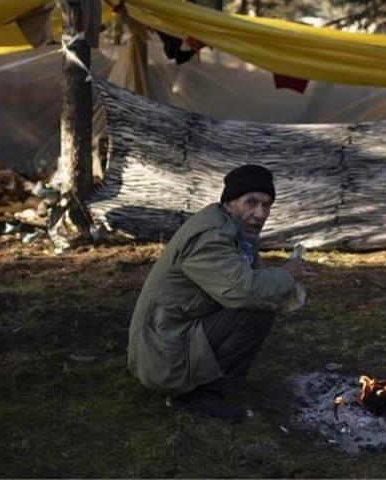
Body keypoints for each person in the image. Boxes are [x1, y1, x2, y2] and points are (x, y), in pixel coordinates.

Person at [127, 164, 310, 422]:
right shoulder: (211, 237)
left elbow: (244, 279)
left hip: (174, 335)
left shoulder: (231, 229)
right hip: (162, 355)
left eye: (266, 205)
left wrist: (277, 286)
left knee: (263, 301)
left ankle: (206, 386)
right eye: (251, 202)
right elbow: (244, 291)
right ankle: (198, 397)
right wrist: (286, 276)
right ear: (229, 204)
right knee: (256, 310)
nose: (260, 214)